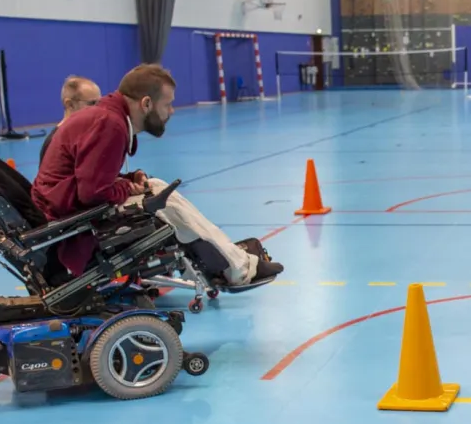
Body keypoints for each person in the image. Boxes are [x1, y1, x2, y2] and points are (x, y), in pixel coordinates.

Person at [31, 63, 283, 288]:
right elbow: (91, 193)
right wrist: (127, 189)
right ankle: (239, 268)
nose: (171, 111)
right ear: (146, 103)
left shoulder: (107, 117)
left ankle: (233, 257)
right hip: (68, 218)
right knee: (166, 204)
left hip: (63, 204)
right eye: (168, 104)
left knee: (157, 187)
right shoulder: (110, 124)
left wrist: (128, 180)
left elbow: (88, 177)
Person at [37, 75, 101, 164]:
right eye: (92, 103)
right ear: (69, 104)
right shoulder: (55, 142)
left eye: (100, 103)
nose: (98, 109)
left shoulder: (88, 136)